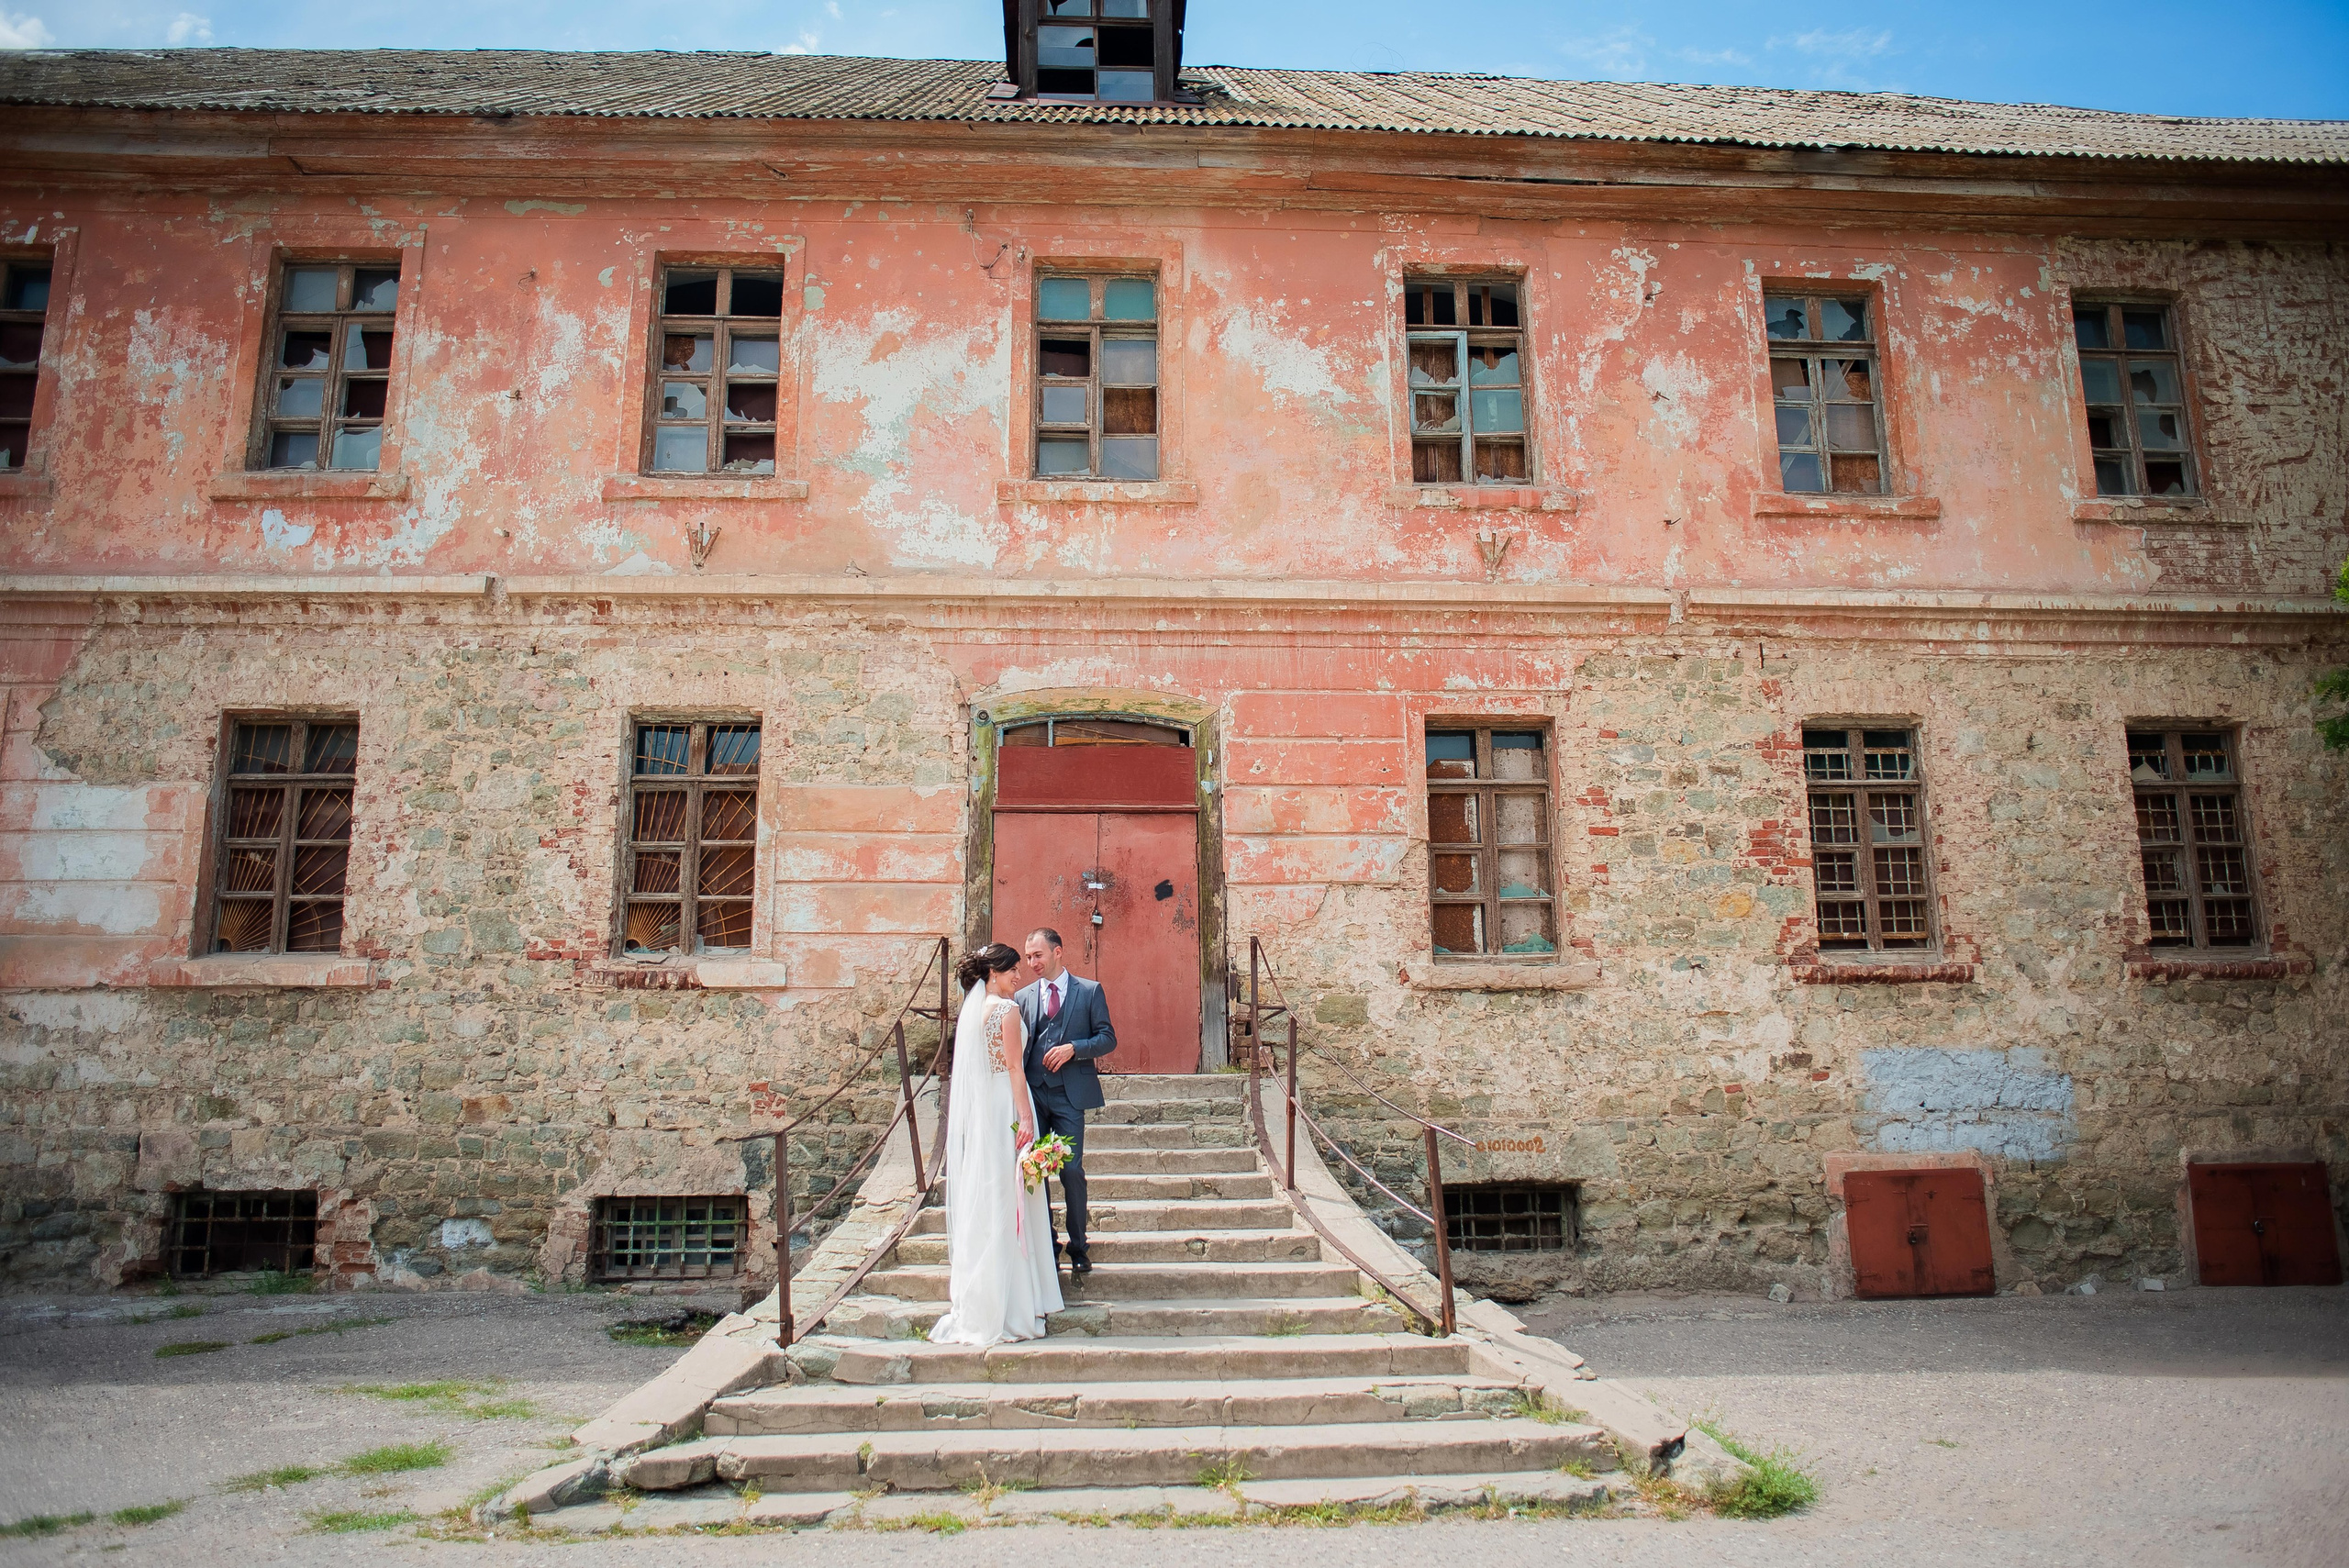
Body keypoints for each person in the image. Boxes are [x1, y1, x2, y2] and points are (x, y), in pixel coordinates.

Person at [928, 942, 1063, 1346]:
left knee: (993, 1198)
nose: (1018, 978)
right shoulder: (1006, 1011)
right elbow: (1014, 1068)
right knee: (1013, 1198)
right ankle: (1017, 1307)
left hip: (985, 1111)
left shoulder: (976, 1012)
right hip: (1006, 1105)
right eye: (1011, 972)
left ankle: (988, 1298)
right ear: (992, 973)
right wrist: (1025, 1117)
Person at [1016, 927, 1117, 1280]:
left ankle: (1078, 1246)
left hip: (1069, 1095)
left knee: (1070, 1170)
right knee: (1035, 1171)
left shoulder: (1089, 991)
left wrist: (1075, 1049)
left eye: (1038, 955)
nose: (1032, 963)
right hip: (1033, 1094)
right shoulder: (1023, 996)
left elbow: (1107, 1038)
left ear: (1058, 952)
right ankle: (1047, 1244)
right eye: (1028, 957)